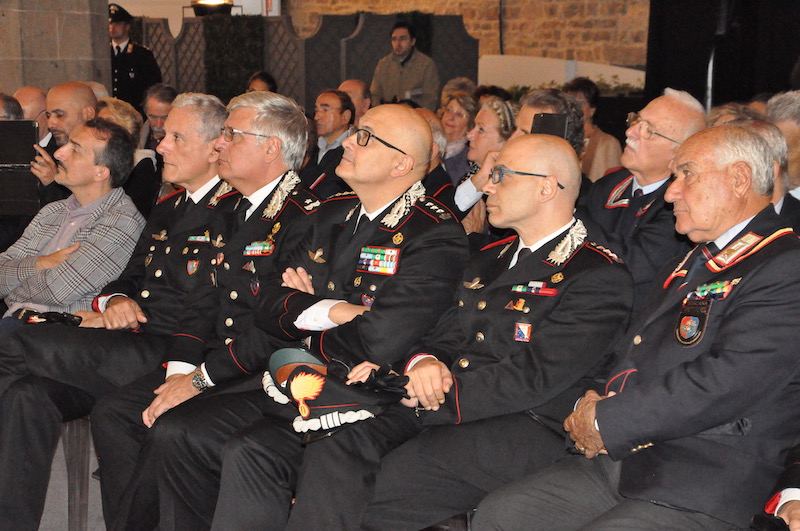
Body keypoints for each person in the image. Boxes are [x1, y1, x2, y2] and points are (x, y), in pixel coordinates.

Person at [145, 104, 467, 530]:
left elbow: (379, 339)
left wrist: (305, 312)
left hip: (361, 392)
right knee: (177, 431)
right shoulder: (331, 214)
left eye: (366, 137)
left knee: (249, 448)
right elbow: (268, 304)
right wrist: (338, 311)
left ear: (401, 163)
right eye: (354, 132)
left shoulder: (434, 233)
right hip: (290, 374)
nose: (348, 142)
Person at [472, 123, 800, 531]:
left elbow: (726, 382)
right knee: (502, 514)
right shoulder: (696, 259)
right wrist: (586, 403)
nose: (670, 192)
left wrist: (607, 420)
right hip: (626, 460)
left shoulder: (785, 264)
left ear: (738, 179)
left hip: (702, 473)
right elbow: (629, 348)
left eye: (686, 174)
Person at [328, 134, 634, 531]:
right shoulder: (488, 259)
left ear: (546, 187)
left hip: (525, 427)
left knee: (371, 487)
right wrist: (424, 363)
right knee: (333, 446)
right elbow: (441, 334)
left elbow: (533, 376)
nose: (487, 185)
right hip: (453, 410)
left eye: (501, 175)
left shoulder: (597, 274)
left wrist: (432, 395)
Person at [90, 90, 321, 529]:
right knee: (117, 412)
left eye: (232, 135)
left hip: (262, 372)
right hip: (216, 360)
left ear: (271, 148)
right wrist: (179, 370)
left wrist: (198, 380)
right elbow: (204, 299)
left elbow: (274, 329)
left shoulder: (304, 217)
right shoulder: (233, 208)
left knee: (172, 428)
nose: (220, 144)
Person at [0, 96, 230, 529]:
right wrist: (115, 300)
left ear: (215, 146)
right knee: (24, 396)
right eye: (164, 137)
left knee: (13, 336)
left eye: (175, 137)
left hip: (166, 349)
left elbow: (206, 306)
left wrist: (182, 369)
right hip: (126, 340)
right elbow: (129, 278)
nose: (160, 147)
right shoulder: (167, 208)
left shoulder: (230, 212)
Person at [581, 88, 705, 310]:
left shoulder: (681, 204)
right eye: (636, 120)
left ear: (679, 153)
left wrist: (565, 211)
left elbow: (630, 263)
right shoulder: (608, 186)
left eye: (649, 130)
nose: (631, 132)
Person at [32, 81, 98, 208]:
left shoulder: (107, 154)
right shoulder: (47, 155)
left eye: (60, 115)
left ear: (88, 114)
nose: (51, 124)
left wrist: (52, 183)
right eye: (48, 116)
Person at [98, 97, 160, 217]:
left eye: (108, 122)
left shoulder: (142, 164)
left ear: (128, 129)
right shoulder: (95, 160)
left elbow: (133, 212)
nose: (98, 129)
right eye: (98, 123)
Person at [563, 77, 623, 182]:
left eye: (580, 103)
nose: (573, 108)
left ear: (592, 110)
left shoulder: (608, 143)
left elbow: (612, 185)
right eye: (569, 103)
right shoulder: (560, 140)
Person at [370, 21, 440, 111]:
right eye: (394, 39)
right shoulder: (383, 64)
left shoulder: (426, 65)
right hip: (387, 115)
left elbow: (431, 100)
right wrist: (381, 112)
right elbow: (374, 95)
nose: (398, 43)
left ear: (412, 41)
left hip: (415, 117)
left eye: (403, 39)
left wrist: (409, 108)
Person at [298, 89, 354, 199]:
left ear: (345, 116)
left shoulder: (353, 151)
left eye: (325, 110)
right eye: (316, 110)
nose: (317, 117)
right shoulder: (312, 147)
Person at [109, 3, 162, 112]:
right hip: (109, 111)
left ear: (127, 27)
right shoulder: (104, 54)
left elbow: (153, 86)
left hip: (133, 111)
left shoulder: (141, 54)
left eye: (117, 24)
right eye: (110, 24)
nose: (112, 28)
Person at [440, 90, 478, 185]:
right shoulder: (431, 145)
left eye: (459, 114)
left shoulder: (469, 158)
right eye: (449, 110)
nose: (451, 117)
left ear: (470, 124)